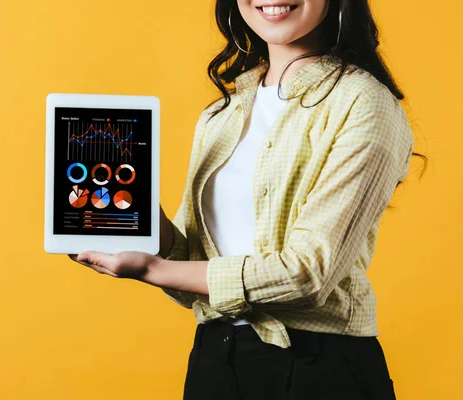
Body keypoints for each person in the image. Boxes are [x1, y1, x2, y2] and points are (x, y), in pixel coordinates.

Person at [69, 0, 428, 398]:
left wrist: (152, 270)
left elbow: (307, 273)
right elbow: (193, 269)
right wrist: (138, 216)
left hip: (319, 369)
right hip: (215, 362)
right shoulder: (222, 114)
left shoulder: (363, 102)